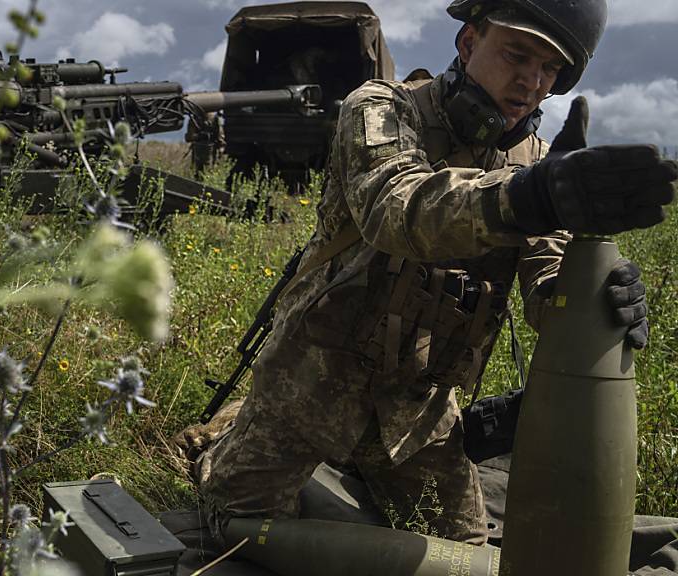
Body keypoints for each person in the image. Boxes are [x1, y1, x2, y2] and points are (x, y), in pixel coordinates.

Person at [175, 0, 678, 546]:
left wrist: (594, 292)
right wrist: (526, 198)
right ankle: (230, 432)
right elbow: (397, 209)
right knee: (238, 528)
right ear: (468, 42)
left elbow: (545, 284)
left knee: (464, 557)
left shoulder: (534, 164)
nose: (531, 81)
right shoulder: (382, 109)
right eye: (517, 54)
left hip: (418, 417)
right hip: (309, 384)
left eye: (550, 69)